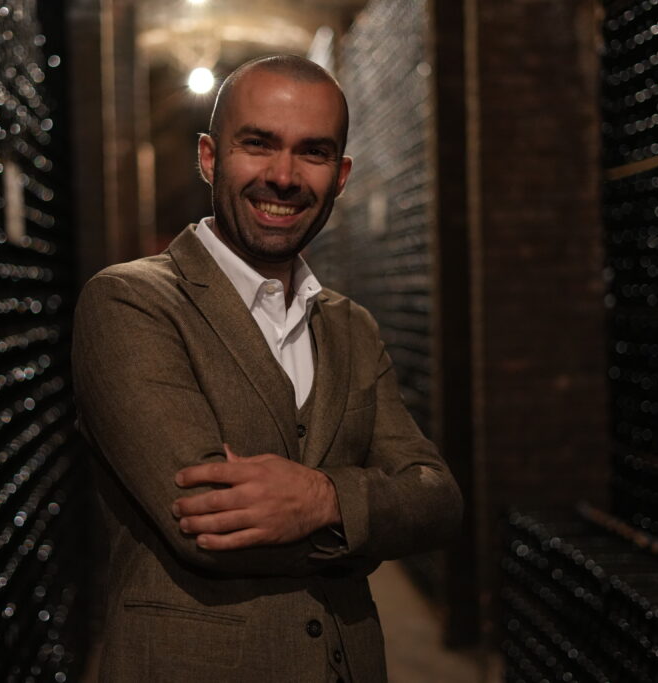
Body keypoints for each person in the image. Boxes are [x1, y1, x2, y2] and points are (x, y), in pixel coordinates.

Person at [72, 54, 462, 682]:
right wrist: (370, 517)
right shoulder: (129, 303)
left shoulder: (351, 325)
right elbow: (203, 526)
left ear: (340, 175)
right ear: (209, 157)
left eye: (312, 153)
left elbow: (439, 500)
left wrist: (321, 498)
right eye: (258, 144)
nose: (283, 176)